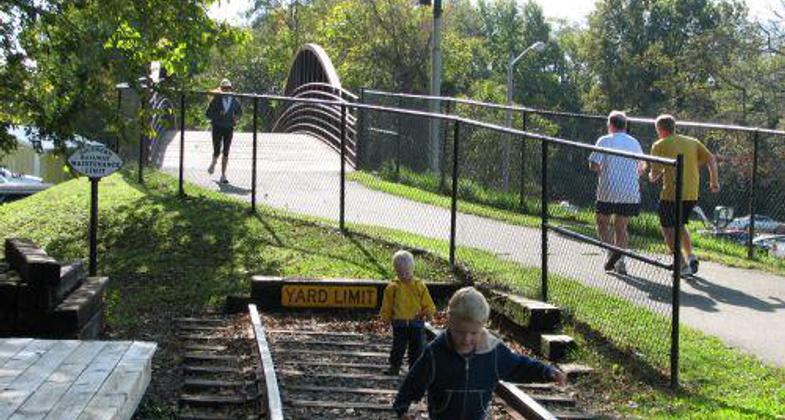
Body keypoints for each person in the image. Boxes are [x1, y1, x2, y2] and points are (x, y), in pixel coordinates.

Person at [393, 287, 567, 420]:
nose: (466, 339)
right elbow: (415, 380)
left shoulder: (493, 351)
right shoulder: (436, 353)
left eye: (474, 333)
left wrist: (546, 372)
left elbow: (519, 366)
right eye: (460, 331)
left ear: (483, 326)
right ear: (449, 322)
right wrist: (402, 406)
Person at [649, 114, 719, 275]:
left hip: (671, 195)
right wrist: (714, 182)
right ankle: (691, 256)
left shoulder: (659, 144)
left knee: (667, 229)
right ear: (674, 127)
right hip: (691, 193)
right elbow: (711, 159)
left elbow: (654, 175)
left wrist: (649, 173)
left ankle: (681, 264)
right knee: (680, 225)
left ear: (660, 129)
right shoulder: (692, 142)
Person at [588, 111, 645, 275]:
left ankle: (611, 252)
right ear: (625, 126)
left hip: (608, 190)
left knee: (601, 222)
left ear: (610, 125)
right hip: (629, 191)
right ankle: (620, 260)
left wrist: (602, 170)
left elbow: (593, 164)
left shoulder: (604, 140)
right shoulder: (634, 142)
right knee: (621, 227)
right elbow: (642, 166)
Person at [379, 250, 437, 376]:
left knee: (417, 347)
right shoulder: (393, 287)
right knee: (398, 346)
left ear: (412, 270)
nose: (404, 275)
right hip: (399, 322)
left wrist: (429, 312)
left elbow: (427, 301)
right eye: (400, 273)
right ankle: (394, 366)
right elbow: (387, 304)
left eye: (407, 272)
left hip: (416, 321)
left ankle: (414, 369)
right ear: (396, 271)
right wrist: (386, 317)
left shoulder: (419, 285)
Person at [205, 78, 242, 184]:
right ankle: (213, 162)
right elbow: (207, 114)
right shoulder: (216, 99)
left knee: (226, 151)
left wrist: (236, 118)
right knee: (217, 149)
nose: (226, 90)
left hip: (229, 127)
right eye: (224, 88)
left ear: (231, 88)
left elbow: (239, 112)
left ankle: (223, 175)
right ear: (221, 89)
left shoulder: (234, 100)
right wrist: (218, 114)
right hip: (217, 126)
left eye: (228, 88)